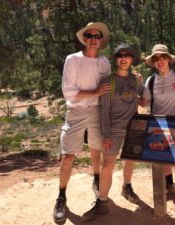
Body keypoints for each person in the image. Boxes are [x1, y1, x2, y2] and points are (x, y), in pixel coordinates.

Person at [52, 22, 111, 223]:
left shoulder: (104, 63)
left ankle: (96, 179)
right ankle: (61, 196)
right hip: (76, 111)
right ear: (84, 38)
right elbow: (67, 91)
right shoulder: (72, 59)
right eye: (89, 35)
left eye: (97, 35)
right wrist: (93, 92)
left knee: (96, 149)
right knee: (68, 155)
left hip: (96, 110)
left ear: (101, 40)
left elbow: (109, 88)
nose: (93, 39)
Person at [81, 43, 144, 221]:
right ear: (116, 60)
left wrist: (143, 86)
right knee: (107, 166)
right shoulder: (108, 81)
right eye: (120, 56)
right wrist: (107, 134)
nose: (123, 59)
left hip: (133, 128)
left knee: (130, 160)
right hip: (114, 130)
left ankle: (127, 187)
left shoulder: (135, 79)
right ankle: (102, 203)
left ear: (132, 60)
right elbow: (104, 110)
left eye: (127, 56)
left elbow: (144, 100)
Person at [140, 44, 175, 215]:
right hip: (157, 126)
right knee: (163, 162)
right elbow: (144, 102)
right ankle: (170, 186)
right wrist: (134, 89)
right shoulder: (151, 80)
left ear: (169, 59)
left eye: (163, 57)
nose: (160, 60)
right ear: (154, 63)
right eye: (156, 58)